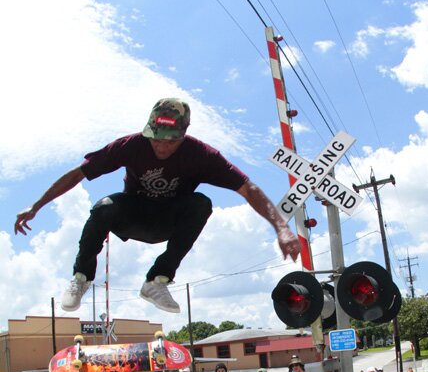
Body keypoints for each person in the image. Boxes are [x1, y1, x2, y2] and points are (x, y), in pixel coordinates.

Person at [14, 98, 300, 314]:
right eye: (156, 140)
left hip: (168, 221)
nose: (160, 148)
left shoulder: (202, 155)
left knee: (201, 203)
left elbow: (247, 188)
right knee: (103, 207)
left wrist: (282, 228)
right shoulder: (130, 145)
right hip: (133, 214)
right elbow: (79, 173)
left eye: (170, 142)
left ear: (184, 134)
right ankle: (81, 277)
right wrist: (36, 205)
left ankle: (156, 281)